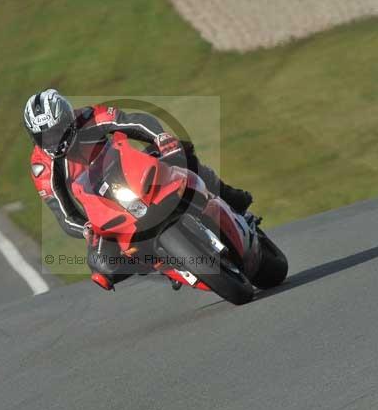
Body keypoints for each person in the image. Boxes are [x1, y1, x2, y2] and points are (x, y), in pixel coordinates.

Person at [24, 89, 252, 291]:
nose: (52, 141)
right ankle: (164, 265)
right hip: (102, 206)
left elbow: (133, 122)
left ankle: (229, 195)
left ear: (68, 119)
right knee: (103, 268)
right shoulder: (42, 167)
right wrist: (86, 229)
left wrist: (160, 138)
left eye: (56, 131)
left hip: (131, 170)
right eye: (43, 136)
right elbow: (63, 214)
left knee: (181, 154)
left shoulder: (89, 117)